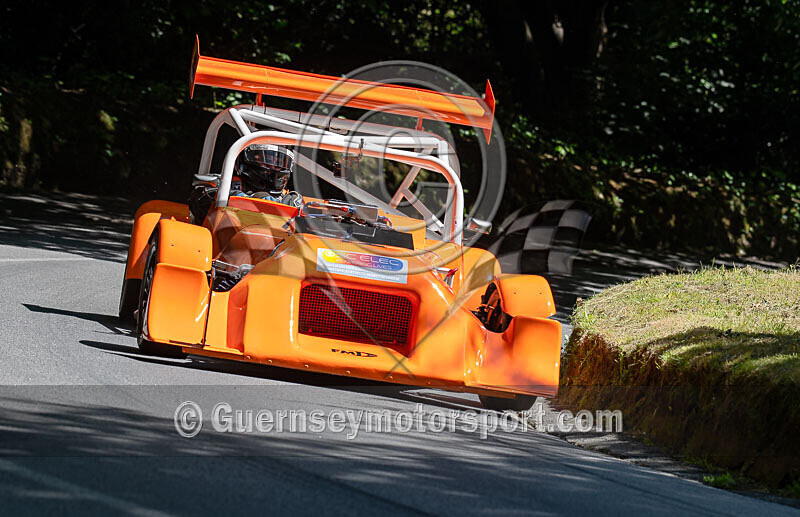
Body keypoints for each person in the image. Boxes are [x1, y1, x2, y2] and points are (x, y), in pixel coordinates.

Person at [189, 144, 303, 224]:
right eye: (267, 160)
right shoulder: (223, 186)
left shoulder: (291, 200)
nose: (273, 167)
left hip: (277, 250)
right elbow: (198, 201)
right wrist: (237, 199)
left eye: (279, 163)